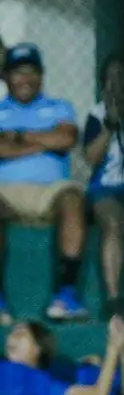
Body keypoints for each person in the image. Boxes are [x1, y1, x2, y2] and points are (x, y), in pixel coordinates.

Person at [0, 43, 90, 322]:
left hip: (51, 192)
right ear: (6, 77)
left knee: (73, 198)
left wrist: (17, 137)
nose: (24, 79)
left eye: (30, 72)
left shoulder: (59, 106)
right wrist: (43, 140)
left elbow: (66, 139)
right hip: (6, 193)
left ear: (41, 75)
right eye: (17, 72)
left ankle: (66, 296)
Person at [83, 52, 124, 318]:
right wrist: (110, 124)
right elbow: (91, 158)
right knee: (114, 223)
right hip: (105, 188)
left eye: (122, 78)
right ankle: (114, 299)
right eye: (111, 79)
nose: (117, 84)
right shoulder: (96, 114)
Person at [0, 317, 124, 395]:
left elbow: (99, 394)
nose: (12, 338)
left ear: (38, 348)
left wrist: (113, 348)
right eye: (11, 333)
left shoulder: (35, 380)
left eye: (20, 333)